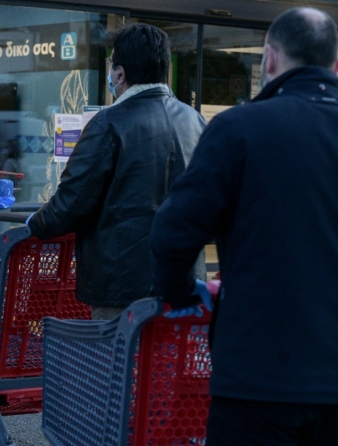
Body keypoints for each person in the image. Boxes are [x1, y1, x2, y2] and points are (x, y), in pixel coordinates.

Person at [150, 7, 338, 445]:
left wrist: (180, 293)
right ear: (335, 66)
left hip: (258, 373)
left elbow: (173, 233)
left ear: (270, 59)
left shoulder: (239, 129)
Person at [25, 23, 206, 320]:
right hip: (183, 283)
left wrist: (34, 225)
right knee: (161, 365)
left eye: (110, 66)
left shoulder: (107, 123)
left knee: (117, 364)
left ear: (121, 74)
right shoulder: (195, 121)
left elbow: (71, 202)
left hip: (122, 288)